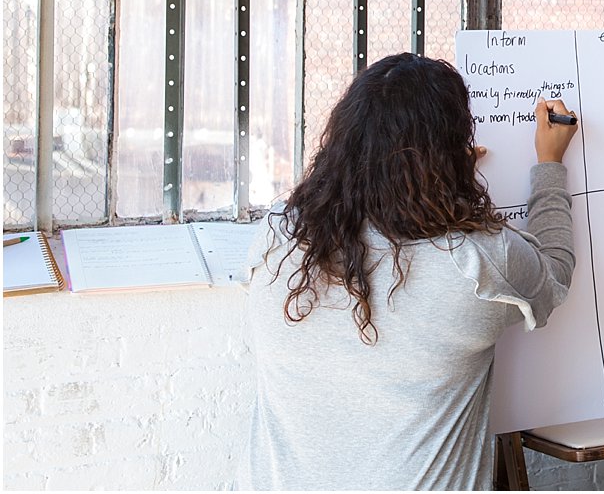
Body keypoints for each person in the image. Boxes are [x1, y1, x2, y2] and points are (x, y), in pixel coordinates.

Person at [238, 53, 578, 490]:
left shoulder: (278, 237)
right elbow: (554, 272)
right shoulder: (475, 262)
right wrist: (549, 163)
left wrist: (431, 193)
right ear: (450, 152)